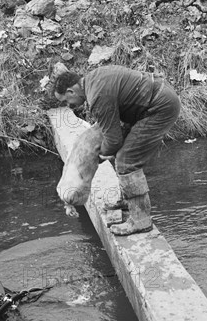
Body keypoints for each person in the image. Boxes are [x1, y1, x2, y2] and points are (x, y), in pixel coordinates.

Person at [53, 65, 181, 236]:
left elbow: (113, 140)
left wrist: (94, 157)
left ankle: (140, 220)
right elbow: (111, 131)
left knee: (127, 160)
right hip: (150, 102)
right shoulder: (93, 80)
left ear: (71, 91)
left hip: (159, 108)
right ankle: (127, 200)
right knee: (123, 154)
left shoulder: (97, 96)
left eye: (66, 101)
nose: (69, 106)